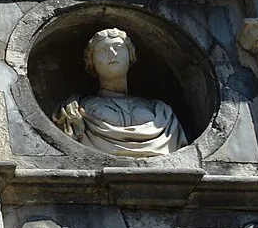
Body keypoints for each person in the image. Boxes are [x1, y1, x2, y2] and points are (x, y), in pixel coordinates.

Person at [53, 27, 185, 158]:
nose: (112, 53)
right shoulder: (73, 110)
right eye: (102, 50)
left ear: (130, 55)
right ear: (90, 62)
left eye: (118, 47)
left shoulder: (161, 112)